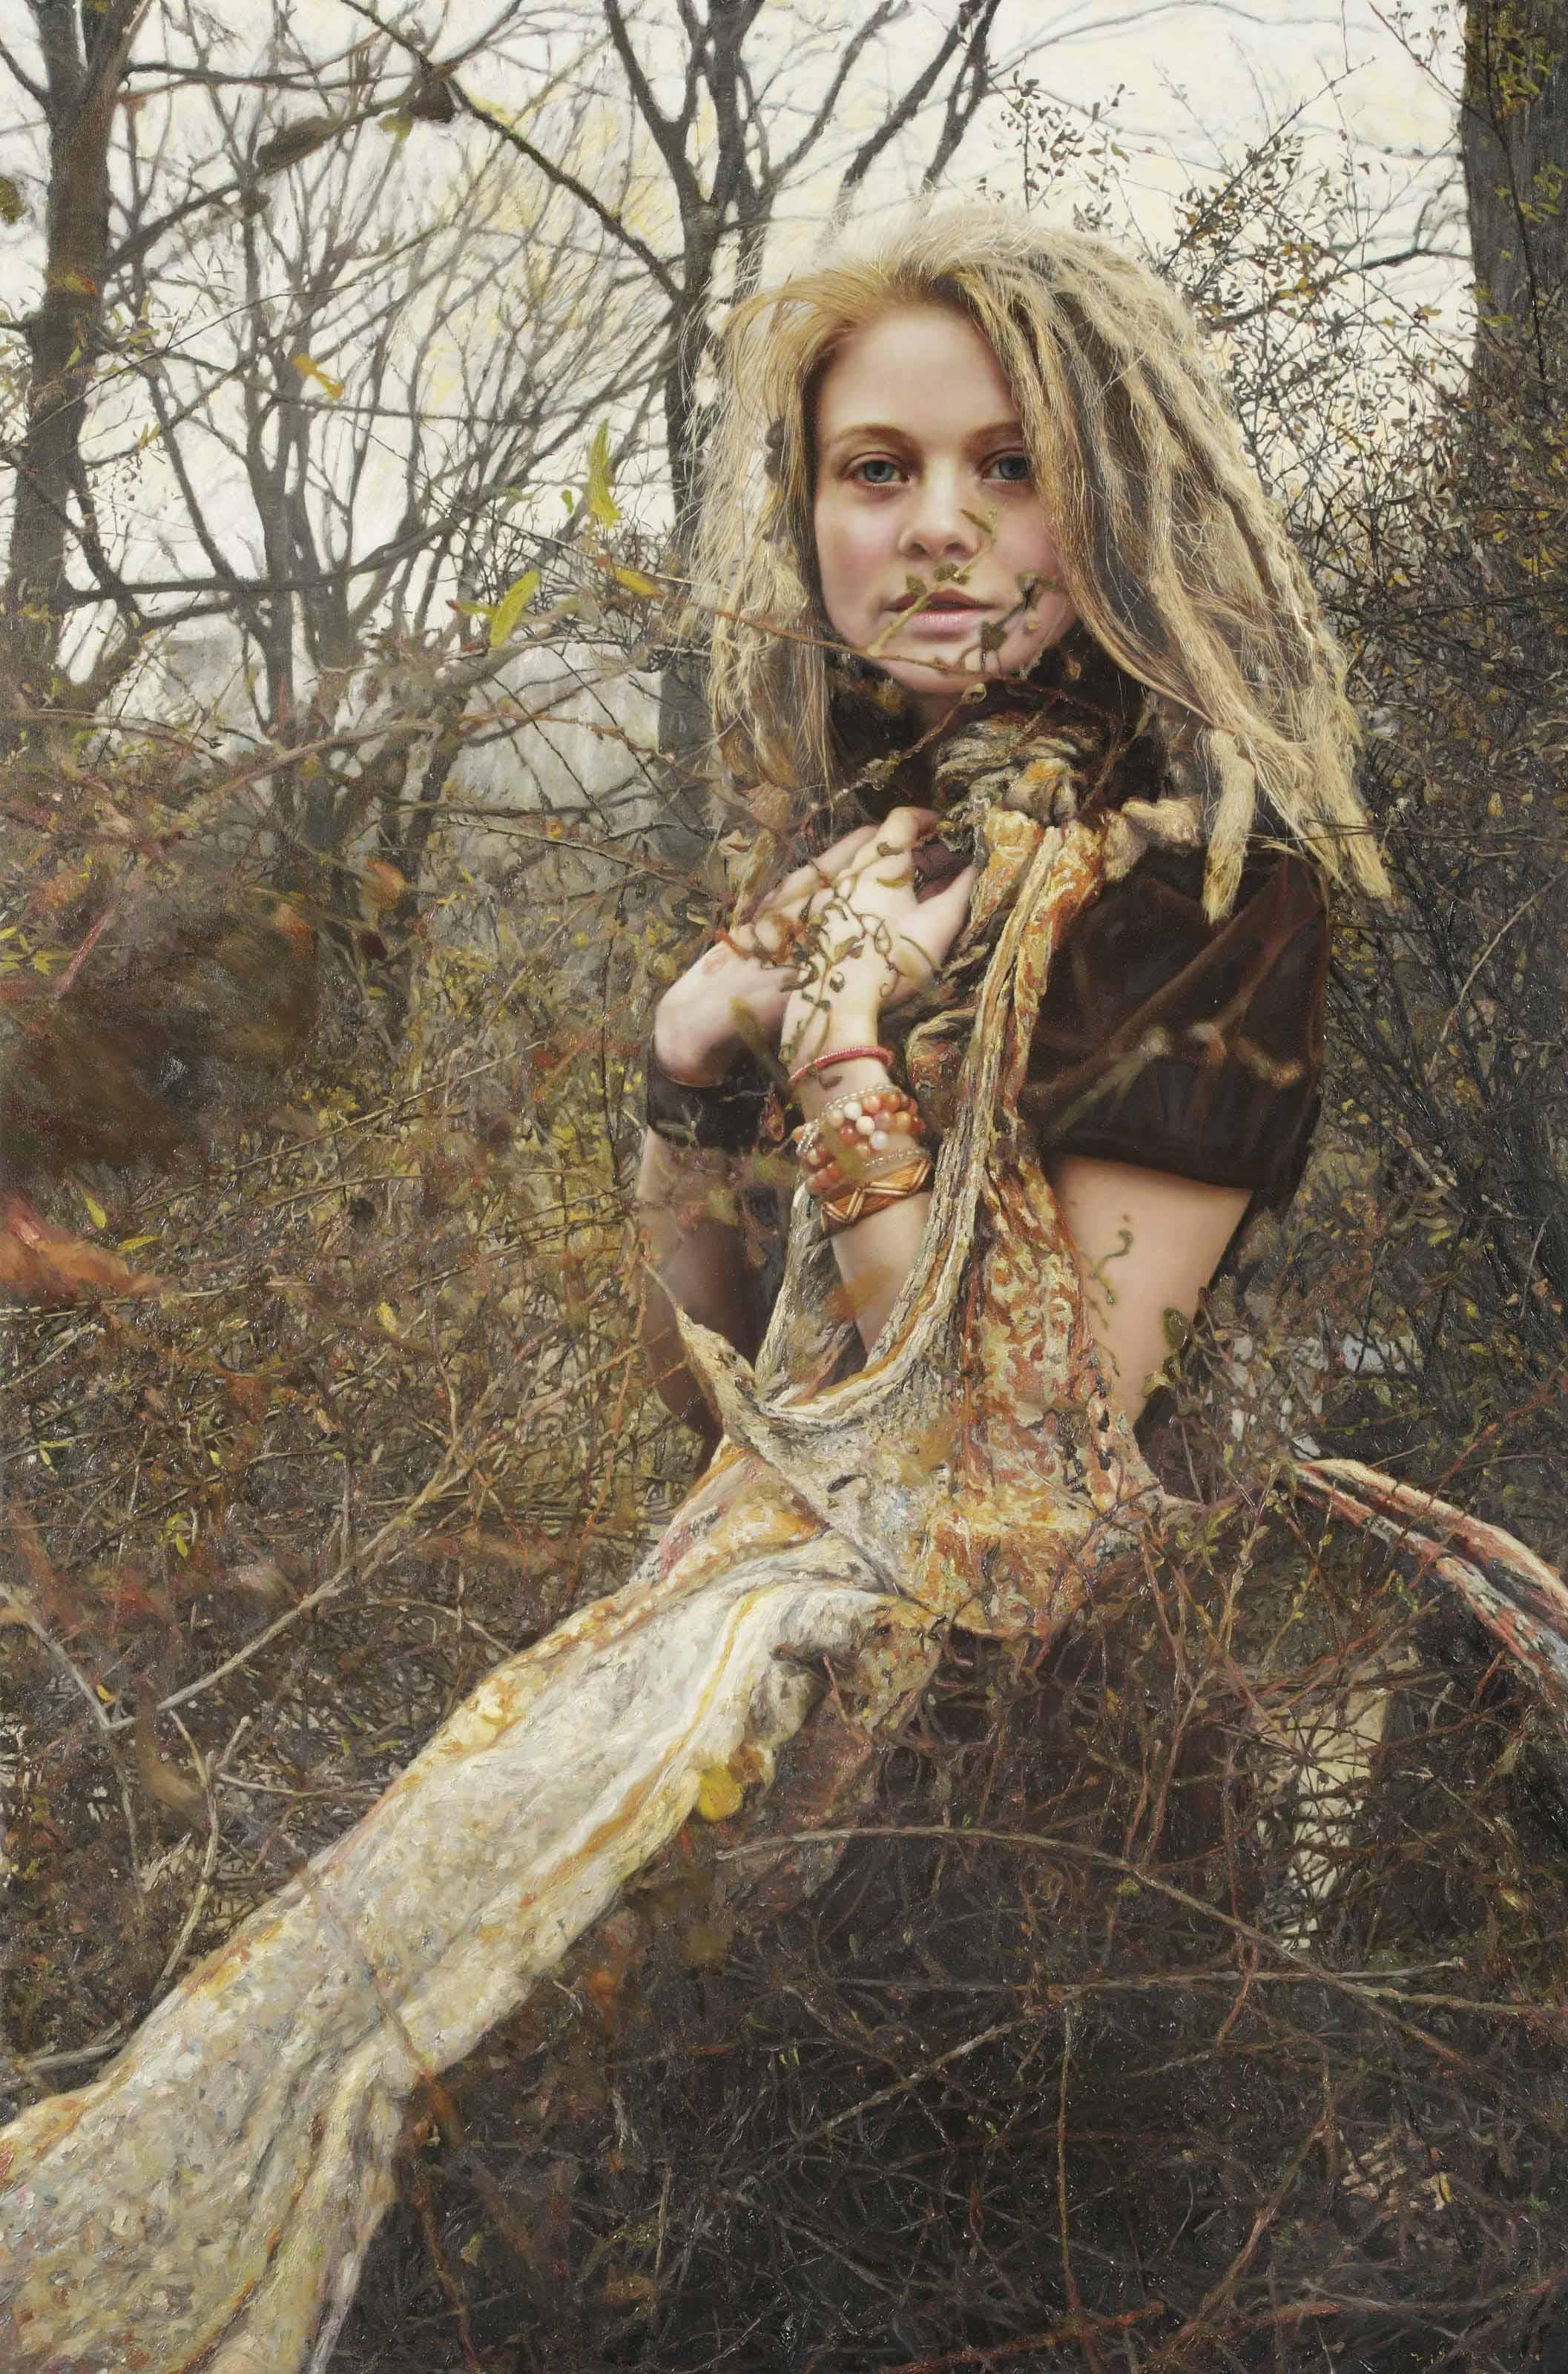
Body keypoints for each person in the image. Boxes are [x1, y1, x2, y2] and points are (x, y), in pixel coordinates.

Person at [635, 205, 1389, 1459]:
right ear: (806, 513)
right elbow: (703, 1406)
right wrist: (685, 1071)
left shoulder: (1195, 899)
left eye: (1011, 466)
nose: (939, 525)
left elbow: (1024, 1459)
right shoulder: (838, 853)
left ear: (1108, 506)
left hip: (1073, 1586)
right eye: (877, 469)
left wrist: (836, 1057)